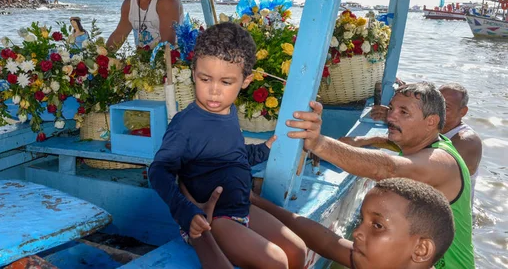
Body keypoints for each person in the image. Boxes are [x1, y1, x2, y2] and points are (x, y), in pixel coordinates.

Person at [149, 22, 306, 269]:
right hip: (212, 217)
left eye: (226, 82)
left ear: (246, 81)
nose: (214, 91)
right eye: (205, 79)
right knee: (275, 262)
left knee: (297, 250)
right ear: (193, 73)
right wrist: (186, 212)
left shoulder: (229, 113)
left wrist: (261, 150)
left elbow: (229, 153)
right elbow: (158, 171)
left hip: (241, 207)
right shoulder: (185, 125)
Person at [287, 83, 475, 268]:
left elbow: (387, 168)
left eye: (404, 112)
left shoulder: (441, 161)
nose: (391, 117)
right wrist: (365, 140)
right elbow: (331, 245)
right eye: (391, 108)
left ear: (431, 122)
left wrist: (317, 143)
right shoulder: (422, 146)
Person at [189, 177, 455, 269]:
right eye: (362, 220)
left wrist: (200, 236)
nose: (358, 231)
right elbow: (326, 241)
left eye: (377, 226)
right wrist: (259, 202)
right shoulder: (384, 261)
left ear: (421, 250)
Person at [351, 82, 483, 204]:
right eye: (438, 104)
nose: (439, 110)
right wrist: (400, 116)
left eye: (446, 107)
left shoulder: (467, 141)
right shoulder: (432, 133)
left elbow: (419, 161)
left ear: (463, 112)